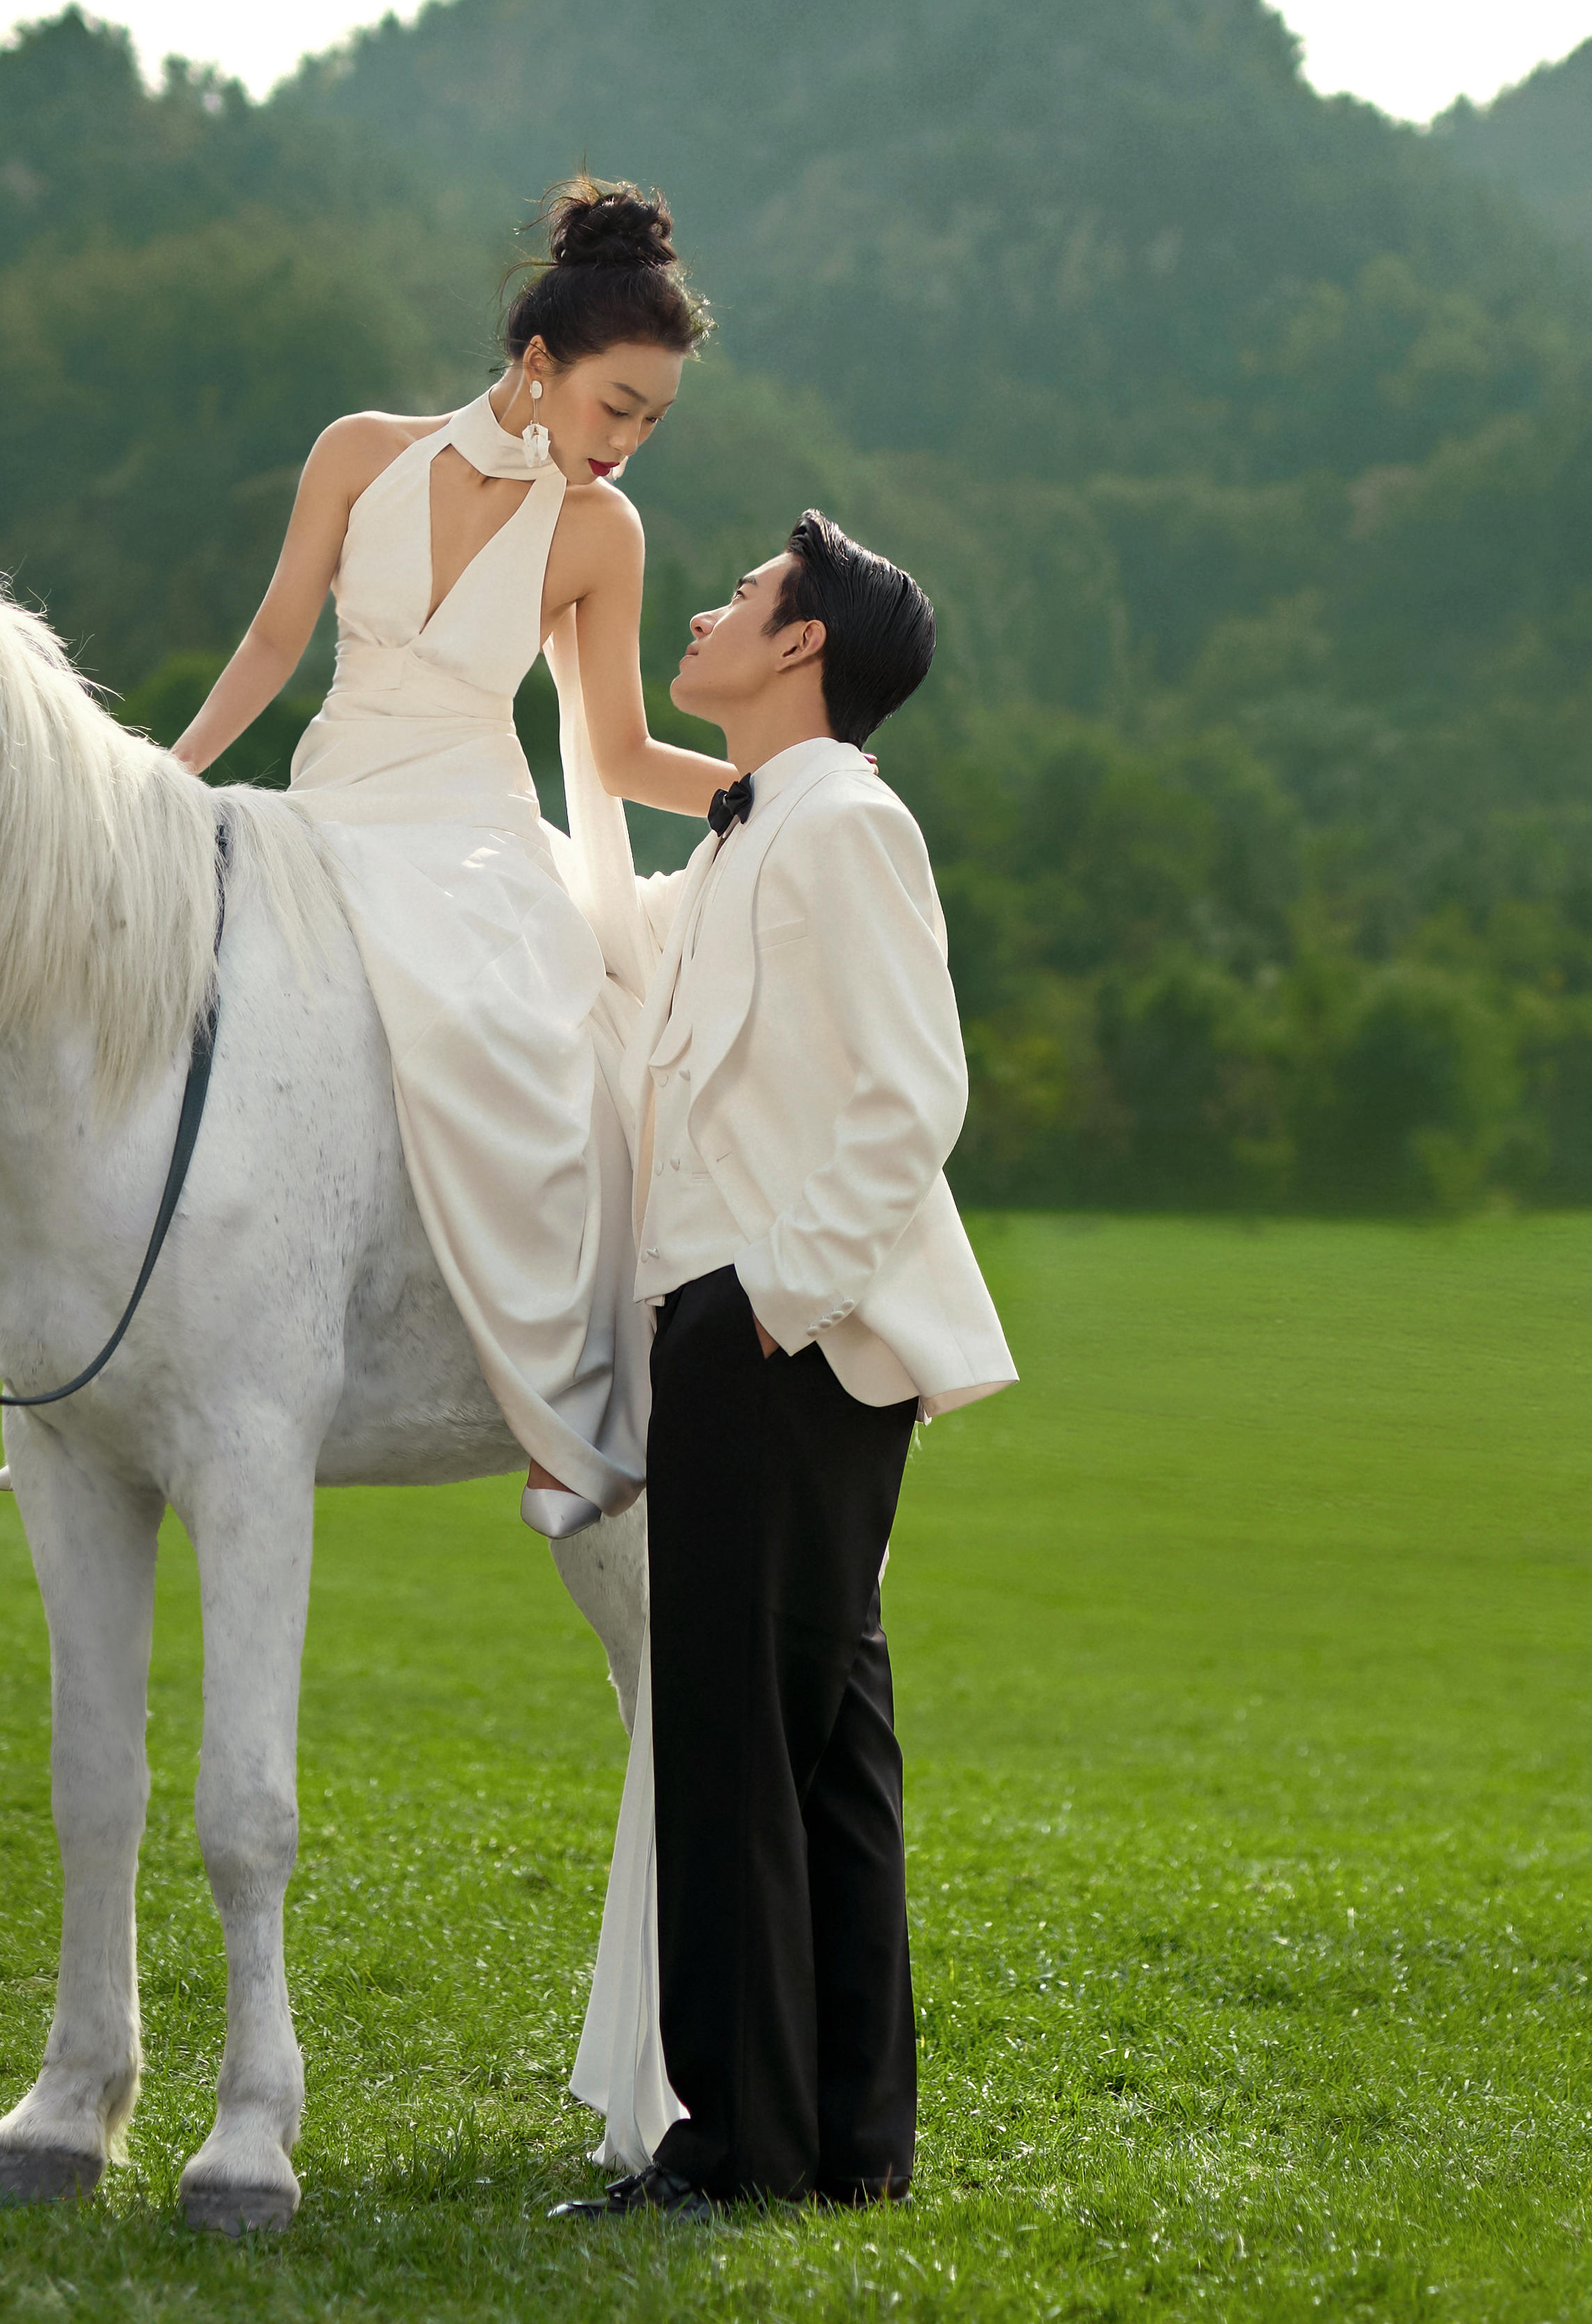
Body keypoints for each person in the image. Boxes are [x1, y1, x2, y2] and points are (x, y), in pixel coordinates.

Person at [555, 513, 1017, 2219]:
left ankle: (735, 2150)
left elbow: (917, 1092)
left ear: (806, 645)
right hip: (739, 1331)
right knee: (817, 1755)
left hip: (778, 1339)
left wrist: (766, 1300)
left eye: (744, 596)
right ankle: (842, 2149)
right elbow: (609, 920)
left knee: (736, 1748)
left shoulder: (849, 828)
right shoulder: (755, 837)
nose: (707, 606)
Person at [166, 178, 734, 1521]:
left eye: (654, 422)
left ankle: (557, 1393)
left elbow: (616, 752)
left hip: (474, 825)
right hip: (339, 797)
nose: (632, 443)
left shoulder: (601, 532)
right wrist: (167, 780)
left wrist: (785, 783)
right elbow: (269, 643)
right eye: (617, 408)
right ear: (540, 362)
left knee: (526, 1027)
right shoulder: (361, 452)